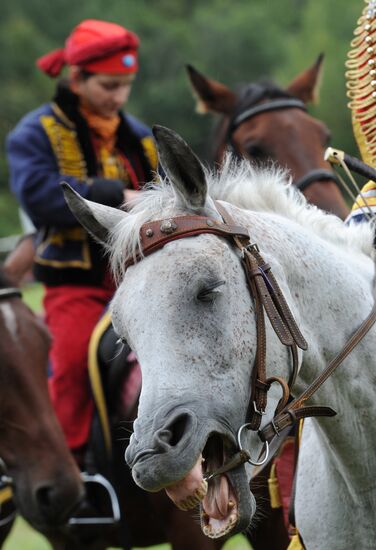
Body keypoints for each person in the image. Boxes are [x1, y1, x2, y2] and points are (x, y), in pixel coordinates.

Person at [6, 19, 158, 462]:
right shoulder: (34, 134)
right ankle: (71, 468)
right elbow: (39, 197)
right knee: (71, 363)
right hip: (77, 288)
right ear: (77, 78)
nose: (119, 97)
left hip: (143, 281)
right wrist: (118, 196)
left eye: (126, 86)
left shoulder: (141, 137)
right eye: (109, 85)